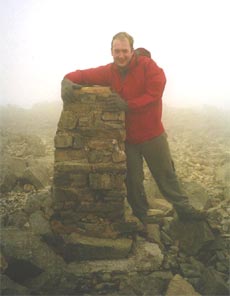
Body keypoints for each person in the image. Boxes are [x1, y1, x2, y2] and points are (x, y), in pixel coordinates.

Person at [61, 32, 206, 229]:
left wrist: (128, 104)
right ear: (111, 51)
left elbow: (155, 92)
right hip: (128, 139)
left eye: (124, 51)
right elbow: (84, 75)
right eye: (116, 51)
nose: (120, 55)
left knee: (165, 174)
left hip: (153, 134)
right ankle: (141, 214)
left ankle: (184, 209)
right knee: (133, 179)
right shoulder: (109, 71)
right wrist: (66, 80)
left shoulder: (148, 66)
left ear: (132, 51)